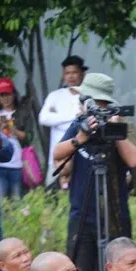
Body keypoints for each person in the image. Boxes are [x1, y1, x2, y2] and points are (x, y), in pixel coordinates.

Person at [52, 73, 136, 271]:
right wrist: (79, 138)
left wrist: (115, 131)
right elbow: (57, 153)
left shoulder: (121, 127)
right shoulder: (79, 126)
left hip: (114, 217)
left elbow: (133, 159)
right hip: (82, 215)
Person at [38, 55, 87, 187]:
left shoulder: (89, 96)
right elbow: (43, 118)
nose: (71, 76)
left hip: (82, 155)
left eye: (74, 72)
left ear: (82, 73)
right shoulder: (55, 96)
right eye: (67, 73)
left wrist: (57, 118)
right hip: (57, 157)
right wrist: (74, 116)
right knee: (54, 197)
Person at [0, 78, 30, 198]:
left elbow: (26, 137)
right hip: (0, 165)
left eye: (8, 94)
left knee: (17, 204)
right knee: (1, 205)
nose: (5, 98)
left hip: (17, 164)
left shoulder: (21, 113)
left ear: (13, 94)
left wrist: (11, 128)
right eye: (2, 95)